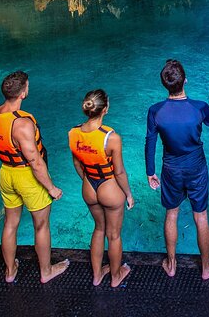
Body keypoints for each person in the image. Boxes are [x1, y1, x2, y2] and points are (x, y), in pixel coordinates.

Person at [0, 70, 69, 284]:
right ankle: (46, 271)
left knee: (10, 224)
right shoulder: (22, 124)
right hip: (27, 177)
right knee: (41, 226)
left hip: (5, 173)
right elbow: (35, 162)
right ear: (23, 93)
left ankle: (10, 270)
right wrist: (51, 188)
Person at [145, 59, 209, 280]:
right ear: (185, 81)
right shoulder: (199, 107)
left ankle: (171, 264)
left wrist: (150, 171)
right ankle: (206, 267)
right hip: (196, 167)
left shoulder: (155, 111)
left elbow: (150, 141)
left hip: (171, 168)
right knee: (201, 216)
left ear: (165, 84)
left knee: (171, 214)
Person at [69, 89, 134, 287]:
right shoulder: (111, 137)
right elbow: (119, 172)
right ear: (105, 109)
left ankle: (97, 275)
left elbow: (77, 164)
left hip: (89, 185)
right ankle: (115, 277)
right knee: (113, 235)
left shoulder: (73, 133)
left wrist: (88, 180)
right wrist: (129, 194)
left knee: (98, 229)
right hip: (109, 186)